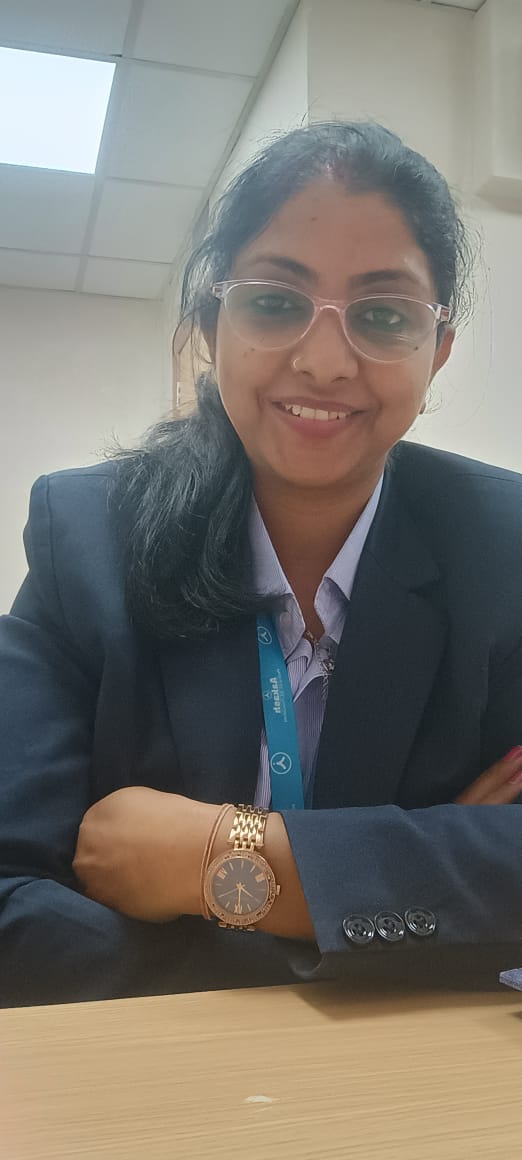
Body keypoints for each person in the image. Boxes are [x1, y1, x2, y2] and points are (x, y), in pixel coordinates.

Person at [1, 122, 521, 1009]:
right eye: (276, 302)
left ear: (436, 353)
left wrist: (219, 861)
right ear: (212, 326)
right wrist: (405, 894)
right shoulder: (84, 536)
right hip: (164, 1072)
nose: (324, 362)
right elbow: (12, 900)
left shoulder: (503, 549)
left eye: (383, 315)